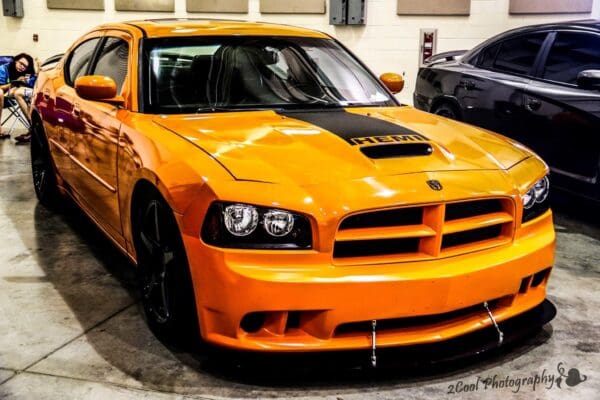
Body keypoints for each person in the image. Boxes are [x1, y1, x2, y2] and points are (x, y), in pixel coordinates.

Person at [0, 53, 36, 139]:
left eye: (25, 66)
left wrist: (27, 81)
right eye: (21, 64)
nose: (22, 67)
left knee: (20, 93)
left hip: (22, 93)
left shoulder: (28, 73)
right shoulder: (4, 69)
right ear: (15, 61)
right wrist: (13, 84)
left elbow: (33, 85)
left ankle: (35, 128)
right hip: (5, 95)